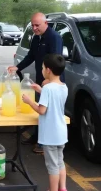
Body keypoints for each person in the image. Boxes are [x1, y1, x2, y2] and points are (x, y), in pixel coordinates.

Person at [8, 12, 63, 153]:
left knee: (47, 112)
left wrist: (49, 80)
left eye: (37, 25)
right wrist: (17, 67)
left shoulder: (54, 37)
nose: (34, 28)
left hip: (52, 81)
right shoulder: (36, 38)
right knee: (40, 109)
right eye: (32, 25)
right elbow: (30, 56)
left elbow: (56, 60)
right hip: (41, 78)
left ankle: (45, 143)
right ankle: (37, 137)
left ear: (46, 23)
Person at [22, 54, 68, 191]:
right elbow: (54, 101)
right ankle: (63, 188)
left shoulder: (48, 89)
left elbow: (42, 110)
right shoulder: (63, 87)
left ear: (48, 70)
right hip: (61, 132)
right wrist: (40, 90)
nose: (41, 70)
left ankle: (53, 189)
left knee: (52, 166)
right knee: (60, 162)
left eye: (42, 68)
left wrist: (30, 101)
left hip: (50, 134)